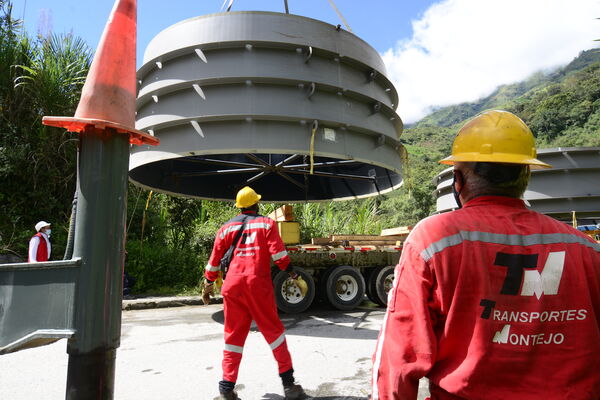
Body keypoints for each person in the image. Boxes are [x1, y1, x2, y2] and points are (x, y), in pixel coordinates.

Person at [371, 110, 600, 399]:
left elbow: (399, 356)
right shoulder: (588, 250)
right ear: (525, 175)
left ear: (458, 180)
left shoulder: (433, 240)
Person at [202, 186, 309, 400]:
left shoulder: (225, 228)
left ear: (239, 206)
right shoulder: (266, 223)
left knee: (233, 338)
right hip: (257, 284)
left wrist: (207, 284)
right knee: (274, 333)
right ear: (256, 204)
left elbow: (214, 261)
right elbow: (279, 256)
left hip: (232, 286)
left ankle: (226, 389)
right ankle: (289, 385)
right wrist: (293, 275)